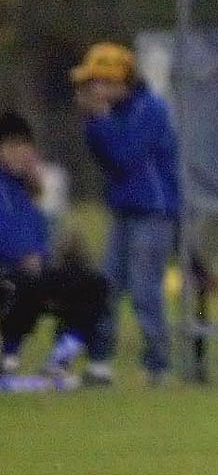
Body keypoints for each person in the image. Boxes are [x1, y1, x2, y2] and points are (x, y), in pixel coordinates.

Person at [71, 42, 181, 386]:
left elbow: (126, 156)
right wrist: (94, 121)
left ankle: (158, 367)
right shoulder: (111, 114)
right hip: (123, 210)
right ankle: (100, 363)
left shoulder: (151, 109)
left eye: (100, 82)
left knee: (145, 291)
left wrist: (99, 119)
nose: (94, 90)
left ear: (121, 81)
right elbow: (104, 157)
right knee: (107, 288)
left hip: (152, 212)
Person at [0, 110, 107, 386]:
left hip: (31, 271)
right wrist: (22, 256)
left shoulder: (24, 190)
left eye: (25, 148)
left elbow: (36, 237)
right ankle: (8, 359)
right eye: (12, 147)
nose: (20, 155)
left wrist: (56, 252)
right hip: (10, 272)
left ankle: (60, 360)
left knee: (92, 285)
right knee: (21, 284)